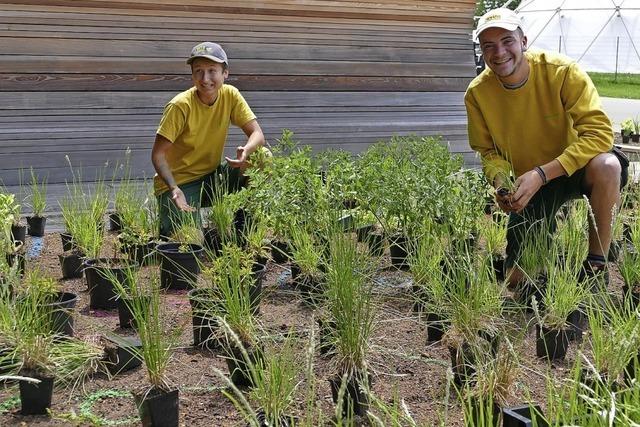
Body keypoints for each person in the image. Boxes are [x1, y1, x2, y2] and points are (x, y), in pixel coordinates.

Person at [465, 8, 629, 286]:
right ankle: (537, 264)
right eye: (488, 46)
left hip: (576, 168)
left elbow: (600, 134)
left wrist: (542, 173)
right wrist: (503, 184)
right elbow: (488, 151)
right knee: (518, 279)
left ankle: (596, 264)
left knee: (608, 165)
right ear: (482, 51)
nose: (499, 52)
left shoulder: (562, 72)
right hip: (531, 184)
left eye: (507, 41)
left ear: (524, 41)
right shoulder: (478, 94)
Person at [151, 42, 265, 237]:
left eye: (212, 71)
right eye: (198, 72)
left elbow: (258, 134)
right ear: (192, 74)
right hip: (180, 185)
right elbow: (158, 155)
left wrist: (246, 151)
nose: (205, 79)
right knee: (190, 241)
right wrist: (173, 187)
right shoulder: (180, 106)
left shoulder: (230, 95)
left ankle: (245, 223)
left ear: (225, 73)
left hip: (213, 179)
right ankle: (174, 223)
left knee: (262, 157)